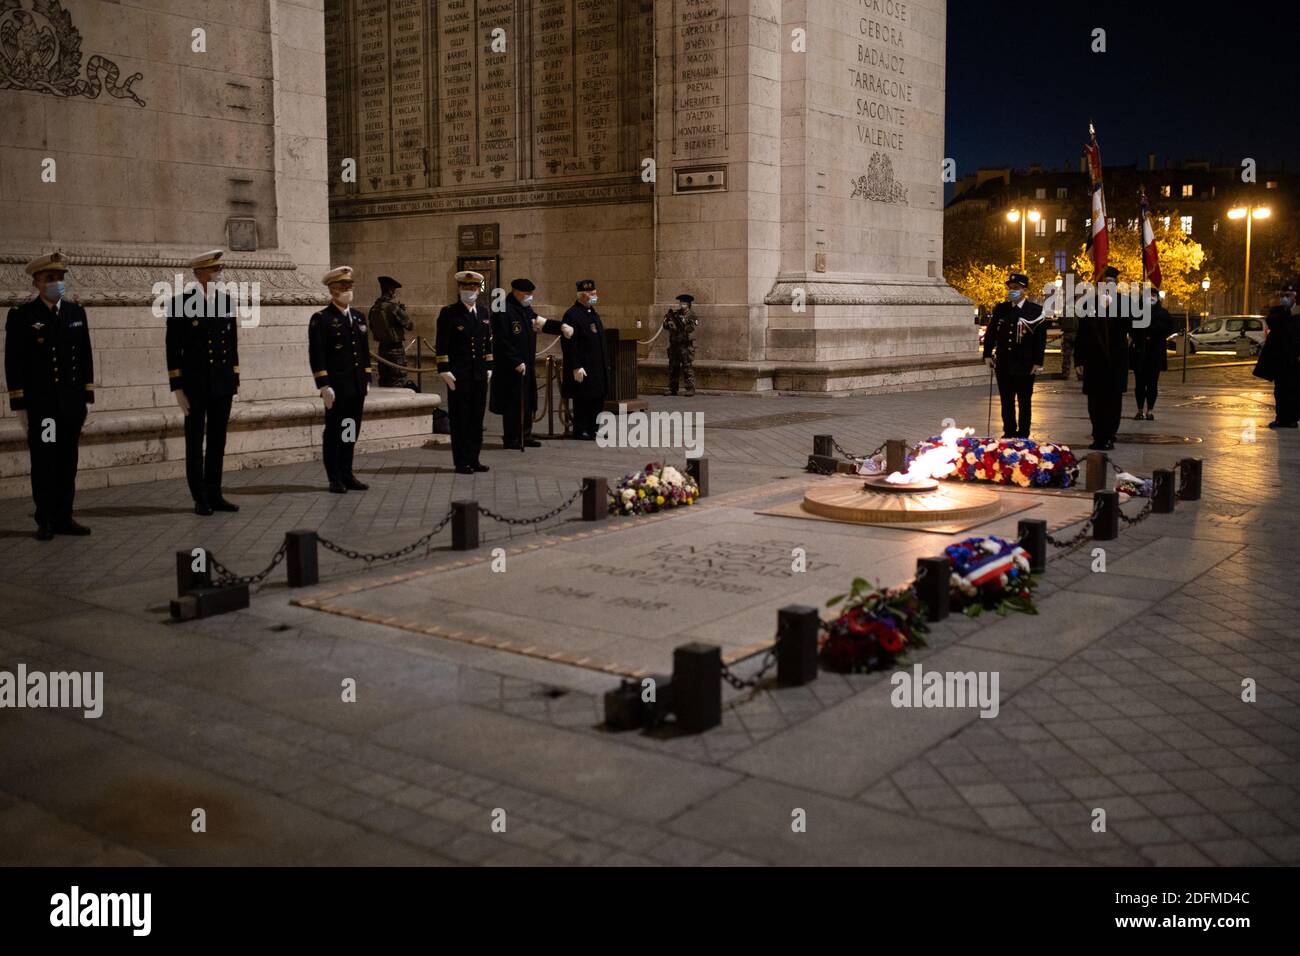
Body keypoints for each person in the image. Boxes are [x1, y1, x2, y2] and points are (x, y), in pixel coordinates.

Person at [4, 251, 94, 540]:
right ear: (37, 282)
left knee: (68, 462)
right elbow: (13, 363)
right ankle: (45, 519)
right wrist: (20, 405)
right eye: (50, 278)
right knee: (45, 462)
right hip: (43, 408)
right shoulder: (23, 316)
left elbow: (85, 357)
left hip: (70, 406)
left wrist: (85, 398)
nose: (57, 282)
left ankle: (65, 516)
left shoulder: (75, 312)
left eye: (60, 278)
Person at [167, 249, 240, 515]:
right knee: (195, 440)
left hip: (222, 382)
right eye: (213, 270)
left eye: (219, 270)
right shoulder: (180, 303)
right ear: (199, 273)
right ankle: (199, 496)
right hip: (195, 384)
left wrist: (235, 379)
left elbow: (232, 344)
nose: (218, 274)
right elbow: (173, 348)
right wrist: (177, 387)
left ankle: (215, 492)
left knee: (218, 440)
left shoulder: (226, 302)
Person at [308, 266, 372, 493]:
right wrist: (323, 385)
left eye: (349, 286)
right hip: (336, 386)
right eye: (343, 287)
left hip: (356, 386)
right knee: (334, 429)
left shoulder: (358, 317)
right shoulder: (322, 319)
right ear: (333, 291)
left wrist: (367, 377)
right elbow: (317, 354)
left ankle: (347, 472)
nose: (347, 290)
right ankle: (334, 476)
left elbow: (364, 351)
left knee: (350, 428)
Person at [436, 270, 493, 472]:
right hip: (459, 375)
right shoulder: (449, 313)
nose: (470, 291)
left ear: (479, 290)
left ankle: (474, 458)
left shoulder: (484, 313)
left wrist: (489, 367)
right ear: (460, 288)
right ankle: (461, 461)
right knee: (460, 419)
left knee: (476, 419)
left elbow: (487, 345)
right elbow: (442, 344)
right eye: (466, 287)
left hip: (478, 374)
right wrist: (444, 369)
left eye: (474, 287)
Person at [1073, 266, 1132, 450]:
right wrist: (1079, 361)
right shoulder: (1088, 303)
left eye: (1112, 283)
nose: (1108, 286)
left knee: (1113, 401)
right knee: (1095, 401)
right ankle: (1098, 435)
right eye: (1105, 282)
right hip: (1094, 361)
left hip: (1116, 361)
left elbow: (1133, 328)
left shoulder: (1126, 303)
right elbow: (1082, 334)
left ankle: (1109, 434)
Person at [982, 272, 1046, 438]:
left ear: (1024, 290)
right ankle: (1009, 431)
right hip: (1004, 363)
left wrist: (1038, 361)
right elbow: (991, 333)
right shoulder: (1001, 309)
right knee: (1006, 401)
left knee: (1024, 402)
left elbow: (1040, 339)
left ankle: (1023, 434)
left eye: (1016, 288)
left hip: (1025, 364)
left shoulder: (1035, 311)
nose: (1012, 291)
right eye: (1010, 288)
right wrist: (987, 354)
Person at [545, 279, 607, 440]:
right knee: (583, 399)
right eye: (591, 294)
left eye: (595, 293)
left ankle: (593, 428)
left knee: (596, 398)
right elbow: (569, 344)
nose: (595, 296)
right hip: (583, 366)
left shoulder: (592, 313)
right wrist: (575, 366)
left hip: (596, 366)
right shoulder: (572, 314)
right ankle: (581, 429)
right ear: (582, 295)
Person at [490, 278, 542, 449]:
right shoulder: (502, 309)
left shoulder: (525, 308)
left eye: (531, 294)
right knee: (512, 403)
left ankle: (525, 434)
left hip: (527, 363)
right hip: (511, 366)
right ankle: (511, 437)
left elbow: (539, 322)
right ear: (517, 292)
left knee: (527, 400)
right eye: (527, 294)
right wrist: (515, 360)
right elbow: (502, 339)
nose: (530, 297)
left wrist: (561, 327)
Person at [1253, 278, 1300, 429]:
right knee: (1280, 391)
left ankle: (1291, 419)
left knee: (1293, 391)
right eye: (1283, 295)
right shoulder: (1278, 312)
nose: (1285, 298)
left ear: (1295, 297)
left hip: (1294, 360)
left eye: (1289, 295)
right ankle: (1281, 418)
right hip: (1280, 360)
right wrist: (1290, 313)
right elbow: (1273, 321)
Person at [1129, 285, 1174, 421]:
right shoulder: (1138, 312)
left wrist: (1152, 327)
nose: (1151, 298)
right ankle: (1140, 410)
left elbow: (1168, 328)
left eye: (1154, 296)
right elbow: (1132, 327)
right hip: (1140, 352)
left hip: (1155, 353)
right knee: (1140, 384)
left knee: (1152, 384)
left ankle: (1150, 410)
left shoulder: (1163, 313)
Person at [368, 276, 413, 388]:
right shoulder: (393, 308)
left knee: (384, 380)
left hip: (382, 349)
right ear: (390, 290)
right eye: (394, 290)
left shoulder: (374, 308)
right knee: (398, 379)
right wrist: (402, 311)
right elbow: (409, 325)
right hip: (396, 350)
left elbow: (372, 327)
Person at [665, 293, 700, 396]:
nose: (681, 304)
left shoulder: (692, 316)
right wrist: (668, 323)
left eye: (684, 302)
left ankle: (690, 388)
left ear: (688, 304)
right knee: (673, 367)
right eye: (681, 302)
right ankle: (672, 388)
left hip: (685, 345)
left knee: (687, 367)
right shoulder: (675, 314)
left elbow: (692, 328)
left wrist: (682, 325)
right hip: (674, 344)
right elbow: (666, 325)